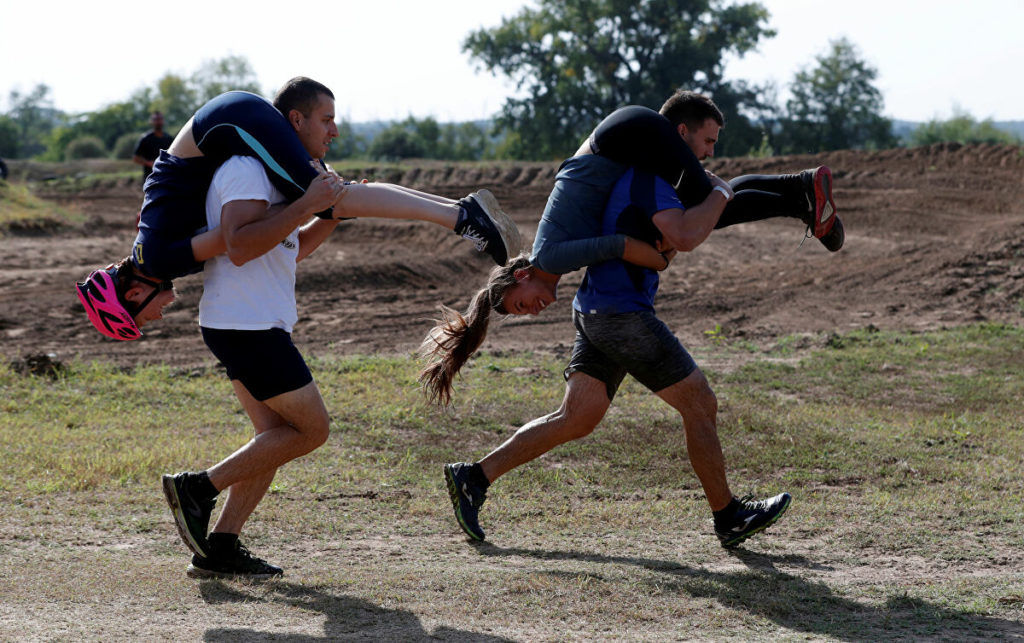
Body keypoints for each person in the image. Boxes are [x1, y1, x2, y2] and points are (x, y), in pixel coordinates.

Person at [422, 92, 802, 548]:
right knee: (696, 404)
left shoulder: (549, 254)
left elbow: (614, 245)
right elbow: (621, 243)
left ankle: (474, 477)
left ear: (520, 275)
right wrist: (660, 256)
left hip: (603, 277)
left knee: (577, 416)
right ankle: (728, 516)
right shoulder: (553, 255)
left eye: (521, 303)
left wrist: (656, 247)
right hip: (612, 314)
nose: (534, 309)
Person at [76, 88, 520, 342]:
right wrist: (317, 207)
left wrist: (312, 205)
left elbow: (234, 244)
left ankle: (462, 217)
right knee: (334, 198)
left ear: (133, 296)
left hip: (228, 123)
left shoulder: (158, 261)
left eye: (142, 318)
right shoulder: (149, 254)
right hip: (225, 122)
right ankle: (460, 214)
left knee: (331, 197)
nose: (156, 317)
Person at [156, 77, 359, 579]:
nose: (334, 130)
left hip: (252, 323)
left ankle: (222, 544)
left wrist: (329, 213)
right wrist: (306, 205)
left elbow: (290, 249)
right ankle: (197, 488)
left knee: (271, 434)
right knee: (311, 430)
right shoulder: (247, 168)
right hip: (244, 325)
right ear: (295, 120)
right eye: (326, 119)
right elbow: (242, 245)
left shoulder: (278, 175)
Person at [132, 111, 174, 184]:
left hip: (166, 178)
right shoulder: (145, 138)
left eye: (160, 119)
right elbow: (136, 158)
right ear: (151, 121)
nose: (158, 121)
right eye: (156, 119)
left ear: (163, 120)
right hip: (150, 178)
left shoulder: (169, 138)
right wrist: (150, 163)